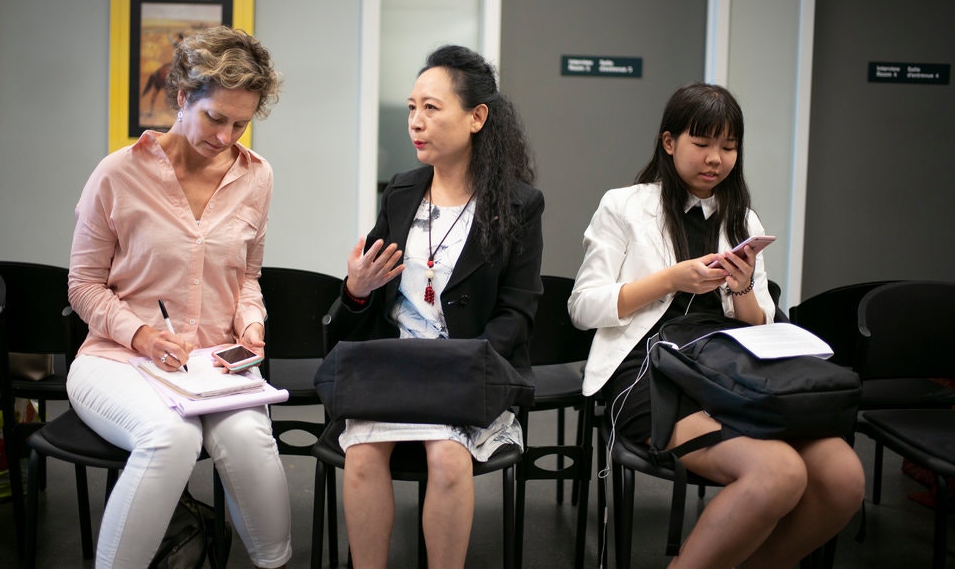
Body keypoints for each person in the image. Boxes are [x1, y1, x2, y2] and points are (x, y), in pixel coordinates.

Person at [569, 83, 864, 568]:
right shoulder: (624, 206)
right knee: (779, 473)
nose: (716, 159)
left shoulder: (742, 218)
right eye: (702, 144)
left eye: (728, 147)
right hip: (648, 369)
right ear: (669, 143)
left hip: (729, 368)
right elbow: (583, 306)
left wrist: (745, 288)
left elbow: (760, 323)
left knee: (843, 477)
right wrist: (671, 279)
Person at [67, 26, 291, 569]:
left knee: (250, 445)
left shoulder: (256, 178)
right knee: (169, 440)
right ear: (183, 97)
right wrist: (140, 334)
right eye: (216, 117)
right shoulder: (118, 174)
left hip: (211, 363)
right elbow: (83, 285)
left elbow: (248, 279)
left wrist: (252, 323)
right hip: (117, 358)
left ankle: (275, 563)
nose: (226, 137)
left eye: (242, 124)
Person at [332, 45, 543, 569]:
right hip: (397, 366)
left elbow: (517, 312)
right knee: (360, 457)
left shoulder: (518, 204)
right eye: (410, 108)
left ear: (476, 118)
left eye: (431, 108)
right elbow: (368, 302)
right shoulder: (402, 192)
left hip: (467, 370)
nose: (415, 123)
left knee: (448, 459)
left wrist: (463, 365)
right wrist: (356, 289)